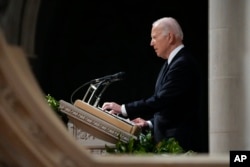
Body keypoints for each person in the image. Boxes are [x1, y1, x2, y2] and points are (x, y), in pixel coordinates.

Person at [102, 17, 202, 152]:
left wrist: (123, 109)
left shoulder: (182, 64)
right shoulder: (171, 63)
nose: (151, 43)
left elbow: (162, 100)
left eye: (154, 37)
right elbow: (173, 107)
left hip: (180, 144)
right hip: (169, 142)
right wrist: (149, 123)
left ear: (170, 37)